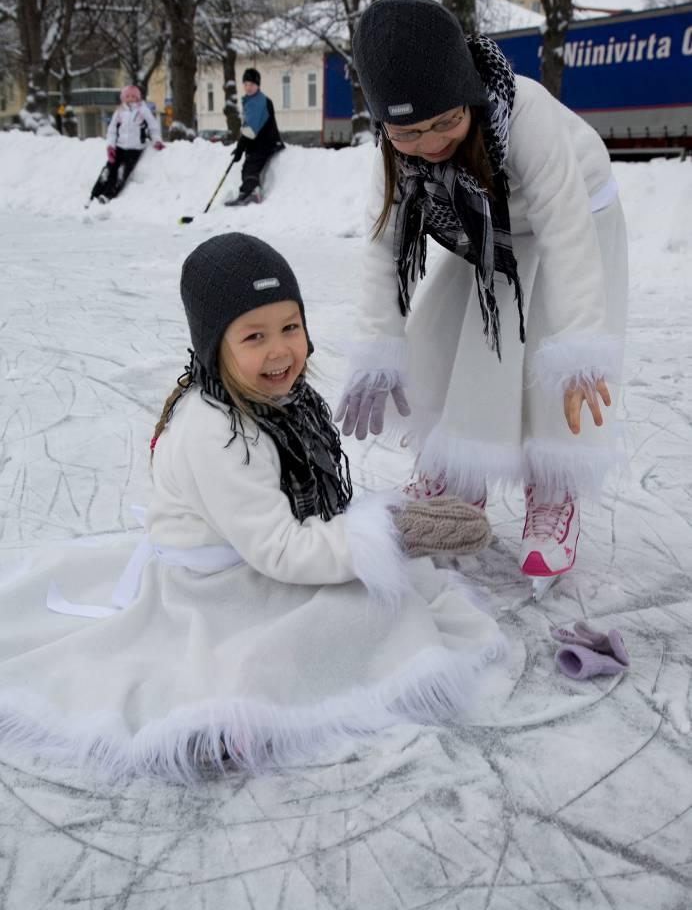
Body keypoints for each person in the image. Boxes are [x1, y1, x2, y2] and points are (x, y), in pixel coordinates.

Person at [0, 232, 505, 780]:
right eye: (254, 336)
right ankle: (226, 714)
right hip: (217, 584)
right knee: (348, 619)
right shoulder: (216, 434)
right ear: (215, 345)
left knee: (376, 596)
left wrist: (377, 534)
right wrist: (389, 535)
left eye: (290, 327)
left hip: (251, 552)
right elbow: (283, 550)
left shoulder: (279, 401)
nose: (279, 350)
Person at [336, 0, 628, 591]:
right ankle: (456, 474)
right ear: (384, 126)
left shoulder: (524, 115)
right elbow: (383, 247)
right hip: (490, 229)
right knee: (444, 339)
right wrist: (377, 346)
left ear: (468, 92)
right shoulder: (395, 157)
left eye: (447, 120)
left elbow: (566, 231)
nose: (433, 142)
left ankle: (553, 492)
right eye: (410, 131)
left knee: (549, 354)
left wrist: (580, 344)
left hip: (576, 214)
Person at [89, 85, 164, 204]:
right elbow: (112, 130)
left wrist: (157, 140)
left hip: (135, 149)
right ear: (123, 98)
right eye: (127, 96)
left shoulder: (143, 111)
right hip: (119, 147)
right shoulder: (119, 112)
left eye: (134, 96)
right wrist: (110, 147)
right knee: (108, 170)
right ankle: (95, 193)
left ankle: (108, 195)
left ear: (138, 98)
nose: (131, 98)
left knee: (121, 172)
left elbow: (153, 126)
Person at [225, 68, 284, 206]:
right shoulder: (252, 100)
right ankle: (245, 192)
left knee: (252, 164)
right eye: (245, 84)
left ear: (257, 85)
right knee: (247, 165)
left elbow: (250, 129)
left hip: (266, 142)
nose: (248, 87)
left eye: (251, 84)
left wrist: (240, 147)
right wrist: (242, 147)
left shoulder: (259, 102)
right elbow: (249, 127)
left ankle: (254, 193)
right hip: (258, 142)